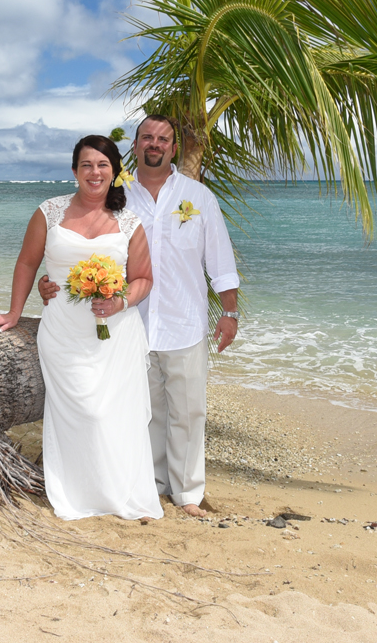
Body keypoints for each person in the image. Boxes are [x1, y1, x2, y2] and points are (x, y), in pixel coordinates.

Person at [40, 115, 240, 518]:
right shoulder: (116, 195)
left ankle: (188, 494)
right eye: (147, 137)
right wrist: (52, 280)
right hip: (126, 326)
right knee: (138, 412)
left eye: (163, 139)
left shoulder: (198, 197)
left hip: (184, 321)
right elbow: (80, 240)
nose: (155, 144)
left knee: (188, 410)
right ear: (135, 145)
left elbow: (219, 258)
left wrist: (230, 310)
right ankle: (147, 484)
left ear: (173, 147)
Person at [0, 136, 162, 521]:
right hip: (62, 329)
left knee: (112, 413)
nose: (94, 173)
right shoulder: (50, 211)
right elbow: (27, 263)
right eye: (86, 165)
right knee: (77, 411)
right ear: (75, 170)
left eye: (102, 165)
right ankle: (77, 493)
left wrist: (119, 301)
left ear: (114, 172)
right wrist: (14, 313)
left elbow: (143, 279)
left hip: (115, 334)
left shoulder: (129, 222)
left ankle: (119, 493)